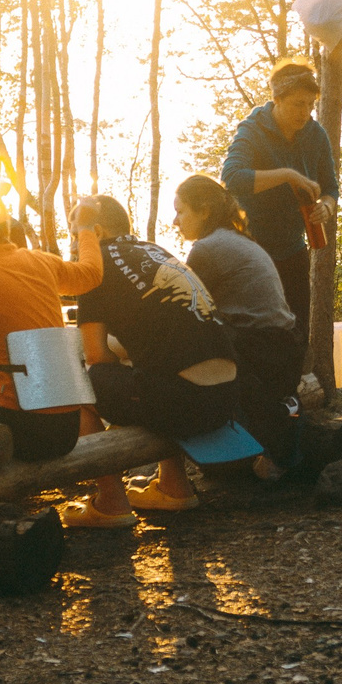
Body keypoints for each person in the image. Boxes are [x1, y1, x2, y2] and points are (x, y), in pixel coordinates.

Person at [59, 195, 238, 529]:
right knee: (148, 372)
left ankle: (110, 502)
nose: (75, 244)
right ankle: (174, 486)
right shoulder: (154, 251)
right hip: (227, 398)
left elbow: (96, 357)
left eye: (76, 234)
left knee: (73, 387)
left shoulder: (96, 267)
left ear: (94, 231)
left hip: (187, 404)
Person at [0, 196, 102, 464]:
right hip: (69, 427)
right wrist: (85, 228)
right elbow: (91, 274)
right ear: (4, 226)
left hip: (21, 427)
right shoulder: (42, 262)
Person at [175, 173, 304, 479]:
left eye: (181, 211)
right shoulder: (237, 239)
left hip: (258, 348)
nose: (175, 221)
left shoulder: (207, 247)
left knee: (179, 350)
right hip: (284, 346)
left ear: (204, 210)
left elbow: (183, 312)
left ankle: (197, 461)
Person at [221, 61, 339, 328]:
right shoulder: (252, 129)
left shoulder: (315, 134)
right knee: (255, 330)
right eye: (299, 104)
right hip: (251, 247)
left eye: (310, 104)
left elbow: (331, 187)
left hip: (293, 249)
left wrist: (327, 207)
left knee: (295, 329)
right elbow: (232, 178)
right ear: (277, 99)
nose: (306, 112)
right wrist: (287, 175)